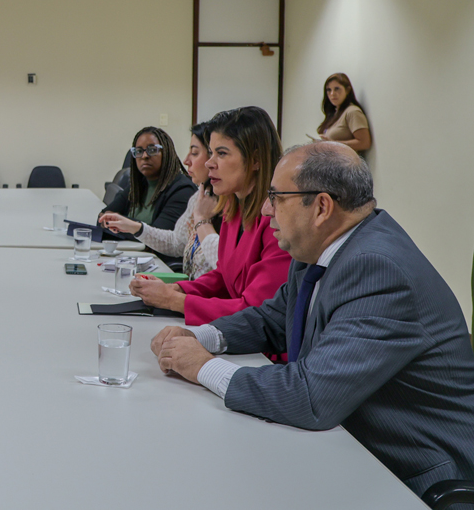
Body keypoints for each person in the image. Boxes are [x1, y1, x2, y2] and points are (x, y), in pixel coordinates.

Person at [150, 141, 474, 499]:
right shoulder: (322, 248)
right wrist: (198, 337)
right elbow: (272, 319)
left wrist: (202, 366)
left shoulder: (378, 269)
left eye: (276, 197)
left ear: (321, 207)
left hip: (412, 478)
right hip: (346, 450)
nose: (266, 209)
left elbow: (310, 397)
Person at [129, 107, 291, 326]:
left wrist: (172, 300)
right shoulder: (233, 209)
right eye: (211, 152)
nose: (209, 163)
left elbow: (256, 312)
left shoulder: (278, 221)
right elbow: (223, 277)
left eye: (221, 153)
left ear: (255, 160)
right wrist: (175, 289)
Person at [101, 122, 221, 280]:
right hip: (187, 288)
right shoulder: (199, 196)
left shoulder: (185, 190)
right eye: (139, 151)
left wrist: (202, 220)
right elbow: (176, 242)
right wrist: (134, 227)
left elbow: (225, 266)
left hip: (191, 290)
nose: (186, 160)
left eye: (194, 153)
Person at [98, 126, 196, 264]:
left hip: (158, 265)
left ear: (167, 152)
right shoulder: (138, 185)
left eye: (152, 150)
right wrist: (129, 226)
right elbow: (103, 217)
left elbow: (156, 237)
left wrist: (125, 225)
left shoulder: (182, 190)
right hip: (131, 257)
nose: (144, 156)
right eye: (139, 151)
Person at [316, 73, 371, 152]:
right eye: (329, 90)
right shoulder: (334, 114)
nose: (332, 94)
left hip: (347, 159)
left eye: (337, 89)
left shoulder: (352, 112)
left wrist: (334, 144)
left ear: (347, 90)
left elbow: (364, 142)